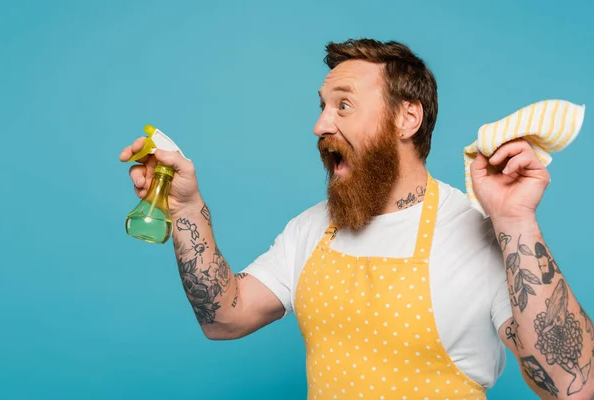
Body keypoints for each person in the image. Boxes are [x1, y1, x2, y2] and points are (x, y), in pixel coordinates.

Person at [119, 39, 593, 399]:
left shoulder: (474, 233)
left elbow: (574, 385)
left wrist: (515, 222)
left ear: (406, 119)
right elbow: (224, 317)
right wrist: (185, 208)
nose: (321, 125)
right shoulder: (310, 229)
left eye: (343, 105)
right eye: (322, 106)